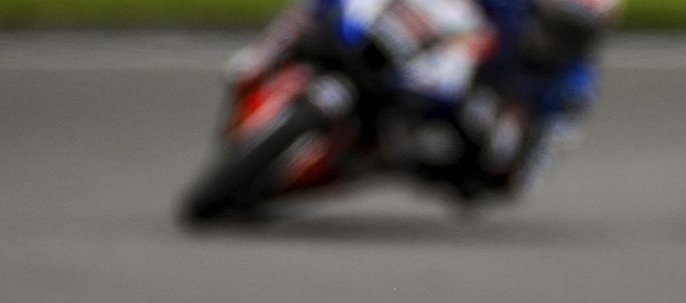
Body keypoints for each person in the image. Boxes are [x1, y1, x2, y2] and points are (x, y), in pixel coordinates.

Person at [225, 0, 616, 198]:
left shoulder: (572, 83)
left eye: (574, 33)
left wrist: (501, 151)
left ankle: (361, 159)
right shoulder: (506, 9)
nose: (556, 40)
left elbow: (536, 161)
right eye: (554, 24)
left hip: (450, 113)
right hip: (424, 50)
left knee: (444, 162)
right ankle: (269, 55)